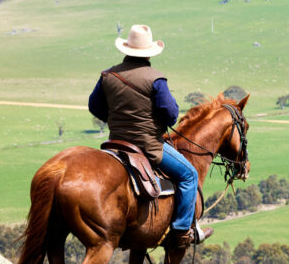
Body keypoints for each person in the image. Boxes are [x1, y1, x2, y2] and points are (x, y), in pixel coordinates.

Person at [88, 24, 213, 250]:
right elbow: (171, 115)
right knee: (189, 175)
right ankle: (182, 232)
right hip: (148, 145)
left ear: (127, 49)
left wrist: (118, 120)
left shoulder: (108, 75)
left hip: (115, 144)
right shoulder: (156, 79)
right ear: (149, 53)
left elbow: (94, 106)